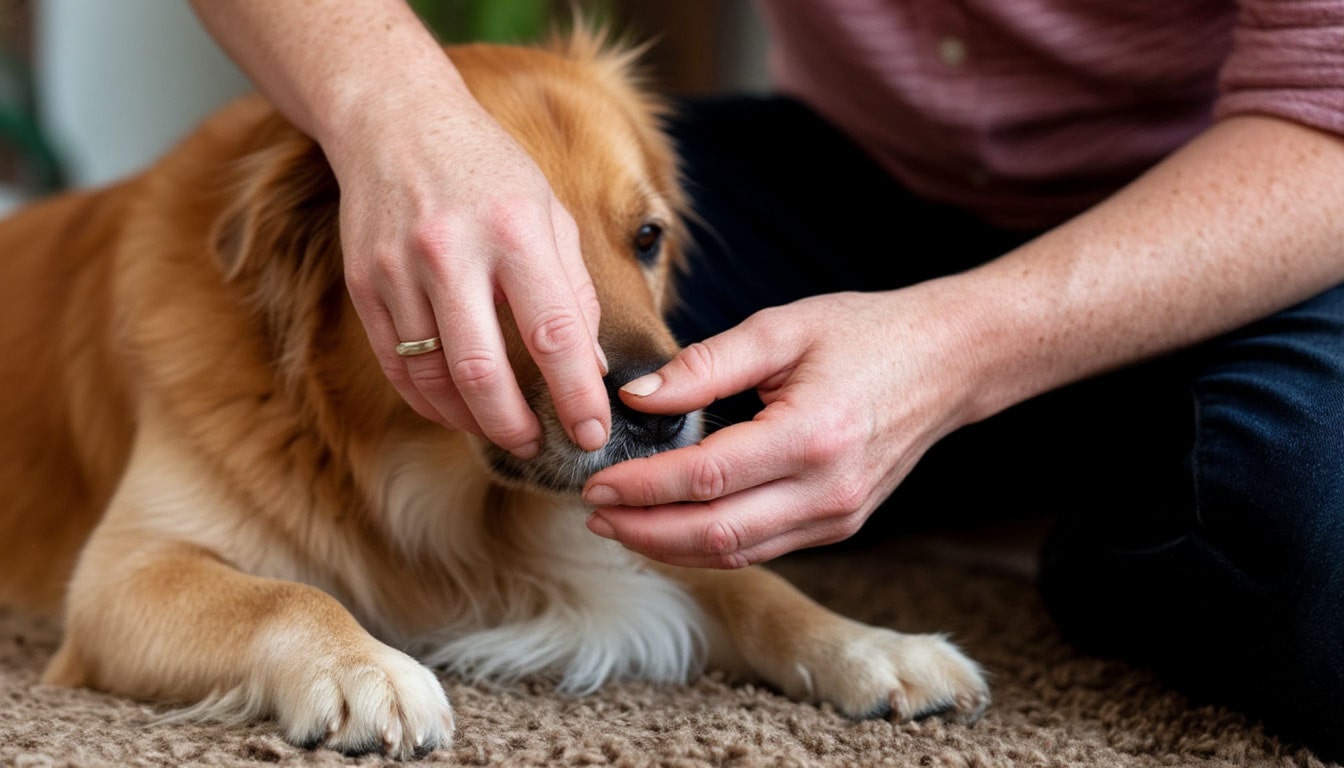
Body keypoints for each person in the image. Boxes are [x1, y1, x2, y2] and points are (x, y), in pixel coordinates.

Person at [190, 0, 1344, 759]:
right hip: (851, 165)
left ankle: (1065, 468)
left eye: (646, 243)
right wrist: (399, 120)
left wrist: (962, 352)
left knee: (1302, 551)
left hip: (1258, 209)